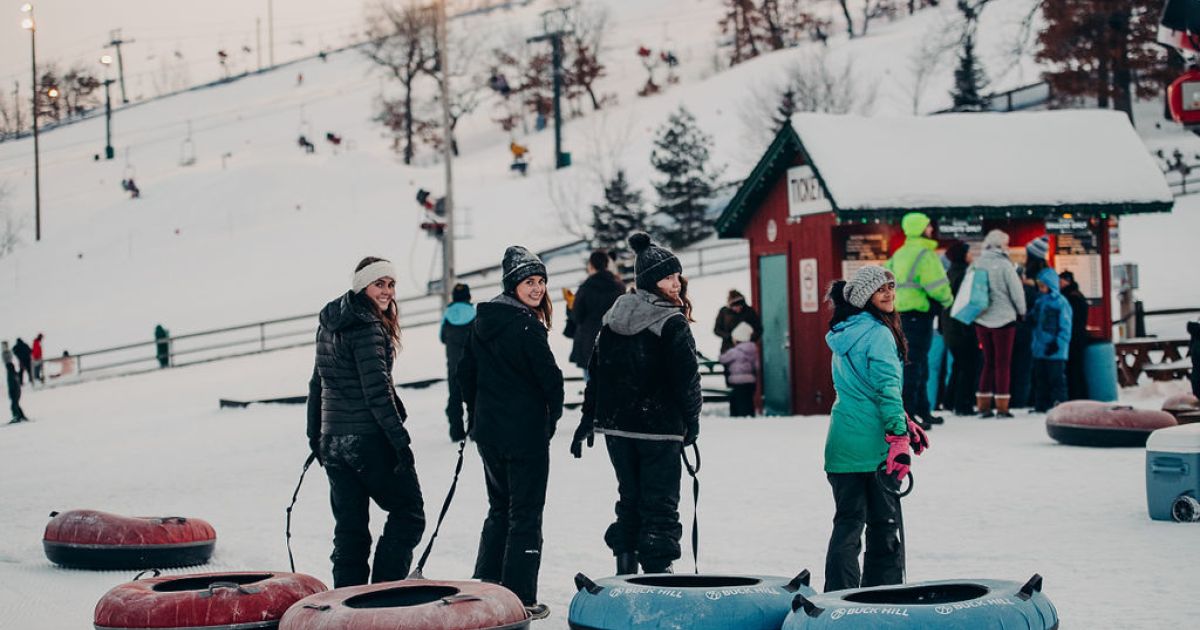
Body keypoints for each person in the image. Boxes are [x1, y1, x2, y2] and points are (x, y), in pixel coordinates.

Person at [572, 232, 702, 576]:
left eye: (676, 276)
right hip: (659, 430)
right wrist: (691, 422)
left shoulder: (614, 317)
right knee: (660, 505)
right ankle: (658, 575)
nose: (675, 284)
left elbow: (596, 373)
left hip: (618, 429)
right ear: (649, 281)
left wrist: (590, 418)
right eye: (667, 277)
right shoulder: (671, 322)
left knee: (629, 500)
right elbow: (687, 379)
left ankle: (625, 570)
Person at [306, 257, 425, 587]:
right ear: (362, 285)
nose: (387, 292)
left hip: (334, 442)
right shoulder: (367, 326)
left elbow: (317, 383)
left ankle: (348, 606)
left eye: (391, 284)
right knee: (409, 514)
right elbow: (377, 393)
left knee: (350, 529)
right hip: (367, 440)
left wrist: (315, 434)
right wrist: (400, 443)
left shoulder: (330, 322)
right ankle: (383, 594)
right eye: (379, 284)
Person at [458, 246, 563, 620]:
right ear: (512, 285)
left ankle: (487, 581)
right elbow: (551, 379)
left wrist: (475, 415)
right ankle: (519, 595)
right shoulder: (525, 325)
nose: (536, 289)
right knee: (525, 513)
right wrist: (550, 419)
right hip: (524, 434)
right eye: (528, 281)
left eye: (540, 281)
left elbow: (465, 374)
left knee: (499, 508)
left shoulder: (482, 321)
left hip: (490, 432)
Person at [823, 265, 928, 593]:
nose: (888, 294)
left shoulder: (843, 332)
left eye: (891, 287)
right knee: (883, 526)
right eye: (879, 289)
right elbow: (886, 390)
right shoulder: (880, 333)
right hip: (876, 447)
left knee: (847, 524)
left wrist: (906, 422)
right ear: (863, 297)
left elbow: (863, 389)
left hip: (842, 443)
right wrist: (898, 437)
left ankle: (839, 599)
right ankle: (880, 598)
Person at [885, 212, 954, 429]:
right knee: (915, 364)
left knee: (915, 362)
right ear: (920, 228)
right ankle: (910, 413)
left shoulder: (899, 254)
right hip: (920, 315)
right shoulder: (925, 255)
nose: (931, 229)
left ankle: (922, 409)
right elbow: (937, 286)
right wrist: (946, 300)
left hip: (900, 315)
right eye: (928, 226)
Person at [973, 230, 1026, 418]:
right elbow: (1017, 292)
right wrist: (1022, 312)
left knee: (987, 362)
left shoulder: (977, 264)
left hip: (981, 319)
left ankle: (983, 405)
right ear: (1001, 245)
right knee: (1003, 364)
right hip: (1004, 319)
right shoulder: (1005, 265)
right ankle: (1002, 406)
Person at [565, 250, 626, 378]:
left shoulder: (585, 288)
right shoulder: (620, 287)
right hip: (614, 341)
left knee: (591, 386)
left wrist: (570, 307)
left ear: (591, 266)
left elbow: (577, 316)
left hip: (589, 343)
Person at [941, 241, 979, 415]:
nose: (972, 256)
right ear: (963, 256)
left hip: (950, 328)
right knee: (968, 365)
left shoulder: (949, 274)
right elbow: (965, 303)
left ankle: (950, 400)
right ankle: (963, 404)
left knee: (959, 364)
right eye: (969, 252)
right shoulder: (965, 275)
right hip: (962, 327)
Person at [1011, 236, 1048, 409]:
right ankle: (1025, 400)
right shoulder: (1042, 278)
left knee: (1020, 368)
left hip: (1020, 329)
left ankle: (1018, 400)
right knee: (1027, 369)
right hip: (1032, 331)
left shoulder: (1029, 282)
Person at [1030, 268, 1072, 412]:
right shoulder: (1039, 302)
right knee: (1040, 379)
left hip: (1055, 349)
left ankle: (1060, 405)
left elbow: (1065, 326)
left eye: (1043, 286)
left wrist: (1058, 343)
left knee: (1056, 379)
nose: (1041, 289)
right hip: (1039, 348)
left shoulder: (1060, 302)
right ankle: (1041, 404)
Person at [440, 283, 475, 442]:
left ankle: (457, 432)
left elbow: (442, 337)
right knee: (474, 398)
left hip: (453, 365)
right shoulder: (474, 313)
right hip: (473, 365)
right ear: (468, 296)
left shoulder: (447, 314)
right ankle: (475, 429)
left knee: (454, 398)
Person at [1059, 271, 1090, 400]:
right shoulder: (1078, 295)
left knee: (1073, 369)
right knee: (1077, 368)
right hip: (1079, 337)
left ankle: (1076, 396)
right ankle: (1080, 395)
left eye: (1061, 281)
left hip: (1073, 337)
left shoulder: (1069, 298)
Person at [719, 322, 758, 417]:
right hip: (750, 381)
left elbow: (723, 359)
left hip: (737, 382)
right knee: (748, 401)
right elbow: (757, 366)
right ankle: (750, 416)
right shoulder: (753, 350)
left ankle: (738, 420)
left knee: (737, 403)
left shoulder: (734, 352)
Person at [713, 289, 762, 354]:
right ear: (730, 305)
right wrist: (730, 337)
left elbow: (759, 329)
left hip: (746, 350)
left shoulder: (749, 311)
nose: (738, 308)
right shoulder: (723, 312)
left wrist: (750, 338)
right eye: (735, 306)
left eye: (740, 305)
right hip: (728, 350)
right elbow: (717, 330)